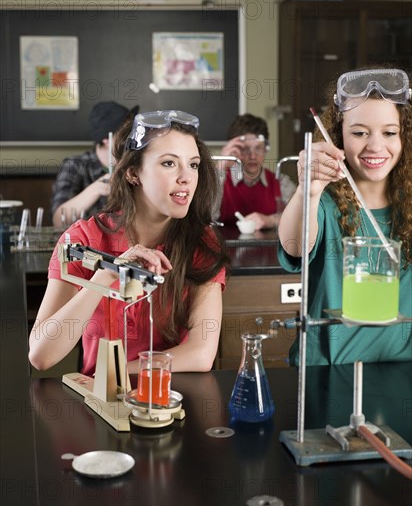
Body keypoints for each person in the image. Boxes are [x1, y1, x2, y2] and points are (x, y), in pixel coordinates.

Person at [29, 110, 230, 375]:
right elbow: (42, 355)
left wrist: (114, 373)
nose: (187, 177)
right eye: (169, 163)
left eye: (193, 164)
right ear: (133, 173)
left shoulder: (202, 242)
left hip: (171, 399)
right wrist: (106, 276)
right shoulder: (82, 239)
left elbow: (201, 353)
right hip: (100, 405)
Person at [278, 67, 412, 366]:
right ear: (338, 136)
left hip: (402, 371)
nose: (375, 146)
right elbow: (294, 246)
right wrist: (308, 191)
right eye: (359, 132)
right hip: (329, 370)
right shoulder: (325, 201)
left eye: (390, 132)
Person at [51, 101, 138, 227]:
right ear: (106, 139)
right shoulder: (75, 165)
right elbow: (58, 220)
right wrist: (97, 189)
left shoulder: (135, 164)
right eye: (125, 130)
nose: (131, 135)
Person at [218, 113, 294, 229]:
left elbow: (299, 216)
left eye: (258, 148)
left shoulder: (280, 182)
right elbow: (203, 216)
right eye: (246, 149)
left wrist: (270, 220)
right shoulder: (220, 179)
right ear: (234, 149)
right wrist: (221, 166)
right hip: (224, 246)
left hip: (268, 247)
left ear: (265, 149)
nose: (253, 156)